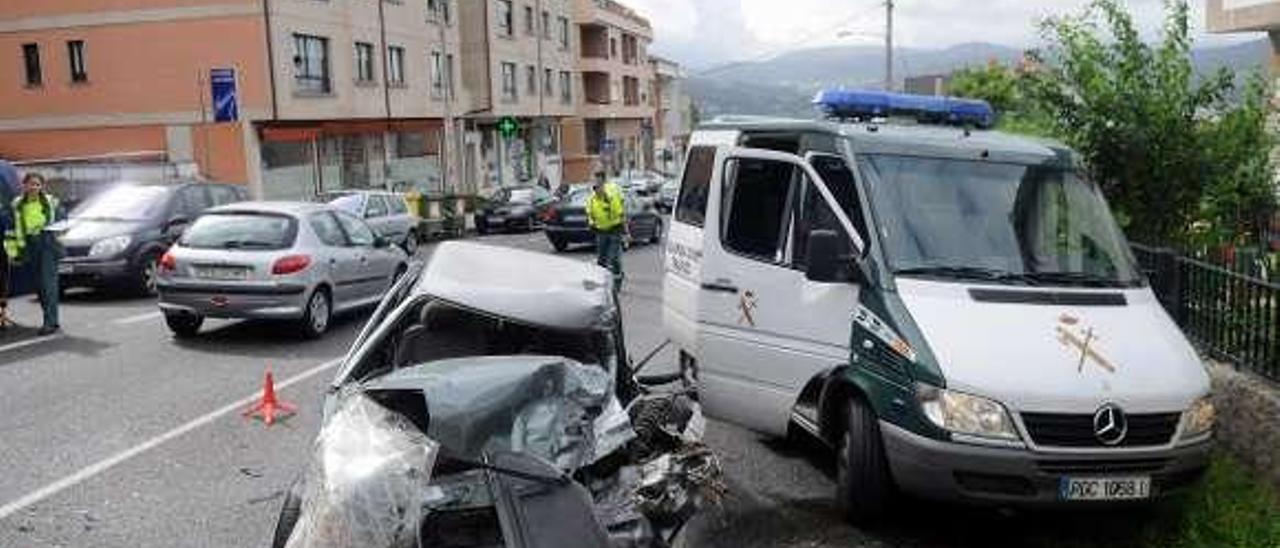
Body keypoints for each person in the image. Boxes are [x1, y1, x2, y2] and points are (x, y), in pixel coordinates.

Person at [5, 173, 62, 334]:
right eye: (31, 184)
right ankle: (53, 320)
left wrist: (59, 234)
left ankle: (50, 322)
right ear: (24, 186)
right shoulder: (16, 204)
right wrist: (12, 252)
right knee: (38, 286)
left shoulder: (51, 202)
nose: (34, 187)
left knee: (48, 284)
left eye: (37, 184)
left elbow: (63, 221)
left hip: (47, 245)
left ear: (42, 186)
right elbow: (11, 231)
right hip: (28, 247)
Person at [586, 171, 626, 293]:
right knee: (601, 260)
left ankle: (617, 281)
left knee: (613, 258)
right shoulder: (592, 197)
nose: (596, 184)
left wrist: (606, 200)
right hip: (601, 230)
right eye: (595, 181)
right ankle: (602, 284)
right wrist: (591, 222)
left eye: (598, 180)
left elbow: (618, 211)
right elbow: (589, 211)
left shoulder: (612, 191)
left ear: (603, 180)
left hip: (615, 229)